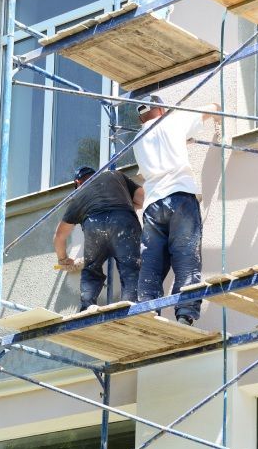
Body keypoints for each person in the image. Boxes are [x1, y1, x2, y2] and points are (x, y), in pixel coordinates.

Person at [133, 96, 221, 326]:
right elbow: (211, 107)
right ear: (161, 108)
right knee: (186, 257)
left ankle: (147, 310)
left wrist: (181, 142)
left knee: (151, 260)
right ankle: (185, 314)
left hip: (153, 206)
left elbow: (148, 168)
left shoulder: (137, 139)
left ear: (141, 116)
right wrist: (218, 117)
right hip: (179, 198)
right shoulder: (173, 122)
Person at [54, 166, 144, 311]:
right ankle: (131, 305)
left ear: (78, 182)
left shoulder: (79, 195)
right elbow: (141, 197)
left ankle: (87, 307)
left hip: (94, 225)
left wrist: (63, 259)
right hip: (123, 221)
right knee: (130, 267)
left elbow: (59, 236)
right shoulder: (115, 176)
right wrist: (124, 202)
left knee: (92, 269)